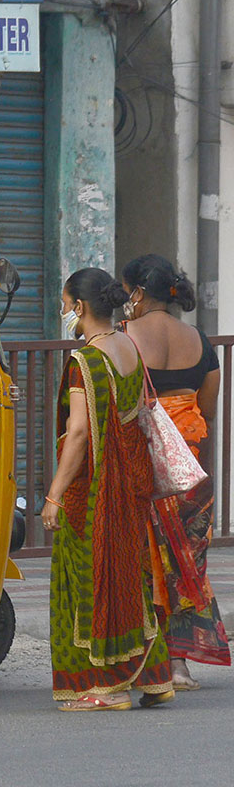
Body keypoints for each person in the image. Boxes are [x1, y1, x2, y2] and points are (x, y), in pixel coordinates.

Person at [40, 267, 174, 711]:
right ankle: (155, 679)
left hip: (94, 492)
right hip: (131, 486)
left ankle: (101, 687)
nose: (63, 310)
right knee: (131, 577)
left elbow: (78, 434)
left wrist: (55, 494)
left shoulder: (86, 361)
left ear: (79, 307)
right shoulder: (128, 347)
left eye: (64, 302)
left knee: (88, 583)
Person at [122, 254, 230, 689]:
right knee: (186, 563)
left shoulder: (124, 338)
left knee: (145, 561)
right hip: (189, 473)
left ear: (136, 293)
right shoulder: (200, 341)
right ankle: (180, 664)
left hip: (145, 465)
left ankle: (148, 661)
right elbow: (206, 408)